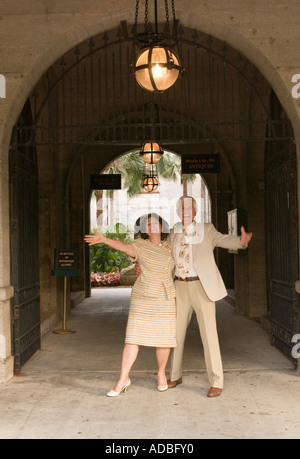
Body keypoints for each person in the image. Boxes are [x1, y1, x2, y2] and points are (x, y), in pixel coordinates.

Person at [167, 196, 253, 397]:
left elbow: (223, 239)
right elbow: (165, 256)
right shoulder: (173, 232)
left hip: (202, 286)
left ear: (195, 211)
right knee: (176, 335)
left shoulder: (206, 229)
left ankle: (217, 381)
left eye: (189, 207)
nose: (185, 211)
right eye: (181, 208)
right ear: (178, 212)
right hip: (179, 286)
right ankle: (175, 375)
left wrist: (240, 241)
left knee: (209, 335)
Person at [84, 213, 176, 396]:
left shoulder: (171, 246)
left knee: (164, 339)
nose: (152, 226)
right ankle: (123, 378)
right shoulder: (139, 246)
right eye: (147, 224)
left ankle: (161, 374)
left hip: (165, 297)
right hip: (143, 297)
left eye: (155, 223)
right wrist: (104, 239)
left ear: (162, 226)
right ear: (143, 230)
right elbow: (125, 247)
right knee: (132, 338)